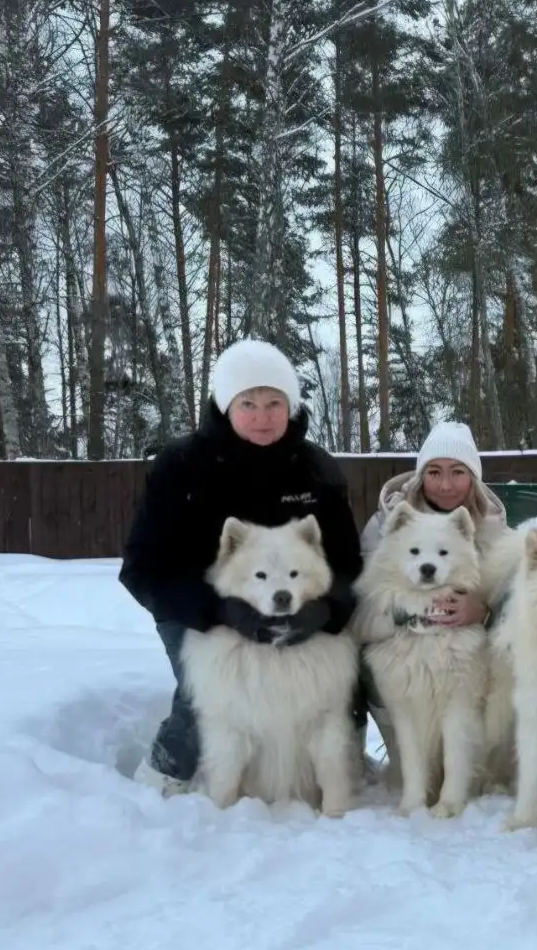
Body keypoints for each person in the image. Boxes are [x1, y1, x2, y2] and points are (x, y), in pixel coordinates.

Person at [120, 338, 365, 795]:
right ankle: (164, 775)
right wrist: (218, 611)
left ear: (291, 406)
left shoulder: (316, 469)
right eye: (248, 403)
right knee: (208, 694)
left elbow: (348, 562)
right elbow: (143, 568)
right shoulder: (182, 465)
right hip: (196, 607)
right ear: (225, 405)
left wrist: (327, 612)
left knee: (337, 683)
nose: (262, 417)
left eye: (274, 403)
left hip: (300, 601)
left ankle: (332, 772)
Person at [359, 420, 511, 630]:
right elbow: (362, 603)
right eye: (434, 472)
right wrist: (404, 612)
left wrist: (483, 613)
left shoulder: (498, 536)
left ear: (473, 478)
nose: (445, 486)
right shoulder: (386, 523)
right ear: (421, 476)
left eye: (458, 472)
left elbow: (516, 609)